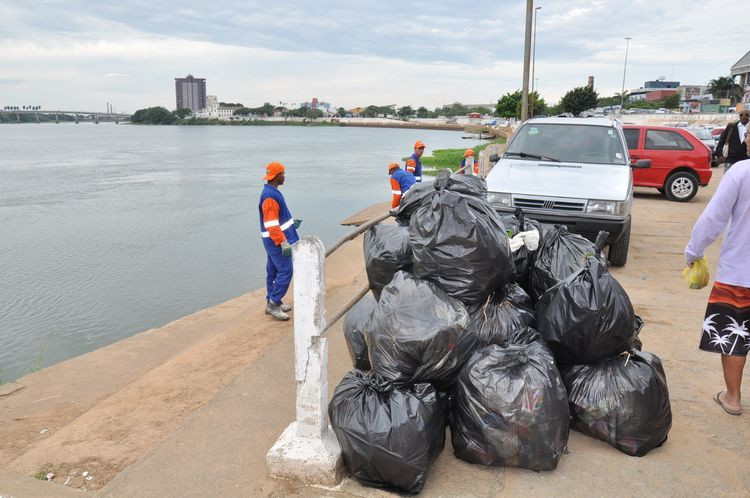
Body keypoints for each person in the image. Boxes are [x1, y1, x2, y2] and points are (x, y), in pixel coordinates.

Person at [684, 134, 750, 415]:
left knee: (735, 335)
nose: (746, 139)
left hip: (740, 273)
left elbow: (714, 217)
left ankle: (732, 397)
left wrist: (694, 252)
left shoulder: (742, 171)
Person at [259, 162, 301, 321]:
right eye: (283, 174)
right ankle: (273, 303)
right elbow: (271, 224)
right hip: (276, 242)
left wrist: (291, 224)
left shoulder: (272, 192)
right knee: (285, 270)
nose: (284, 176)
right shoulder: (270, 196)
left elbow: (278, 219)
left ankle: (273, 299)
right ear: (277, 176)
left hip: (273, 240)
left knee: (273, 271)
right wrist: (282, 242)